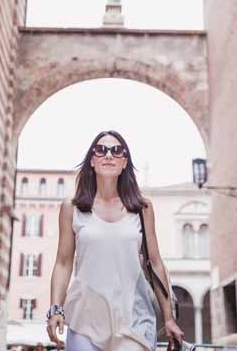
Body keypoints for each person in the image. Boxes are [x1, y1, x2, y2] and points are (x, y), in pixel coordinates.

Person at [46, 130, 185, 351]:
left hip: (133, 318)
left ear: (124, 163)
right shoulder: (71, 208)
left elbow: (155, 263)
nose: (108, 155)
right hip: (85, 319)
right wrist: (55, 308)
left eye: (116, 150)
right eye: (101, 150)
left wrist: (169, 318)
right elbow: (63, 263)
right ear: (92, 161)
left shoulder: (142, 208)